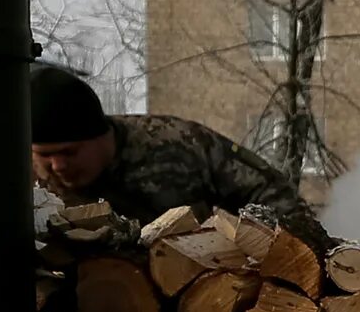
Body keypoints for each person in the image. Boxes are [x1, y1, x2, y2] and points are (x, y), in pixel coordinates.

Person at [28, 65, 323, 239]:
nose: (57, 166)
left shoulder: (179, 143)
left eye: (69, 152)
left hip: (202, 296)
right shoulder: (18, 173)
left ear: (100, 137)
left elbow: (271, 192)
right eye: (44, 156)